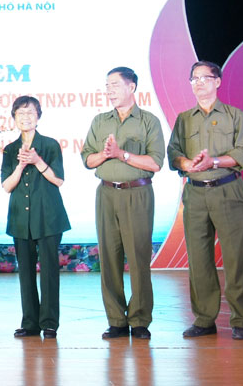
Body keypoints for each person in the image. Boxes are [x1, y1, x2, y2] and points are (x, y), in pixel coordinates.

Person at [167, 60, 243, 340]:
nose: (198, 83)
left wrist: (213, 161)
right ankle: (204, 319)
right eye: (194, 78)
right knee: (198, 258)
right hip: (195, 192)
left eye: (204, 77)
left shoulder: (234, 115)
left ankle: (241, 320)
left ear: (217, 81)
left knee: (235, 257)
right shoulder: (184, 119)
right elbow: (173, 153)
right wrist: (186, 163)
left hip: (227, 189)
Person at [80, 67, 165, 340]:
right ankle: (116, 320)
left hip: (137, 194)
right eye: (107, 86)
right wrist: (106, 155)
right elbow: (87, 160)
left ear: (132, 87)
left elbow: (155, 163)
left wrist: (122, 154)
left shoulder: (148, 121)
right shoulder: (100, 121)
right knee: (109, 258)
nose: (110, 90)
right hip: (106, 193)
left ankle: (139, 320)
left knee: (138, 258)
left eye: (115, 85)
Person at [1, 96, 71, 339]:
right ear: (14, 118)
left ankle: (49, 323)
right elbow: (7, 186)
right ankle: (30, 323)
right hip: (20, 219)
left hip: (48, 217)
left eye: (30, 112)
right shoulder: (10, 149)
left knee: (49, 272)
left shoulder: (50, 145)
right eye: (20, 113)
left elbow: (58, 180)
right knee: (26, 273)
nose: (25, 117)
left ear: (38, 116)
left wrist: (37, 161)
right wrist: (20, 166)